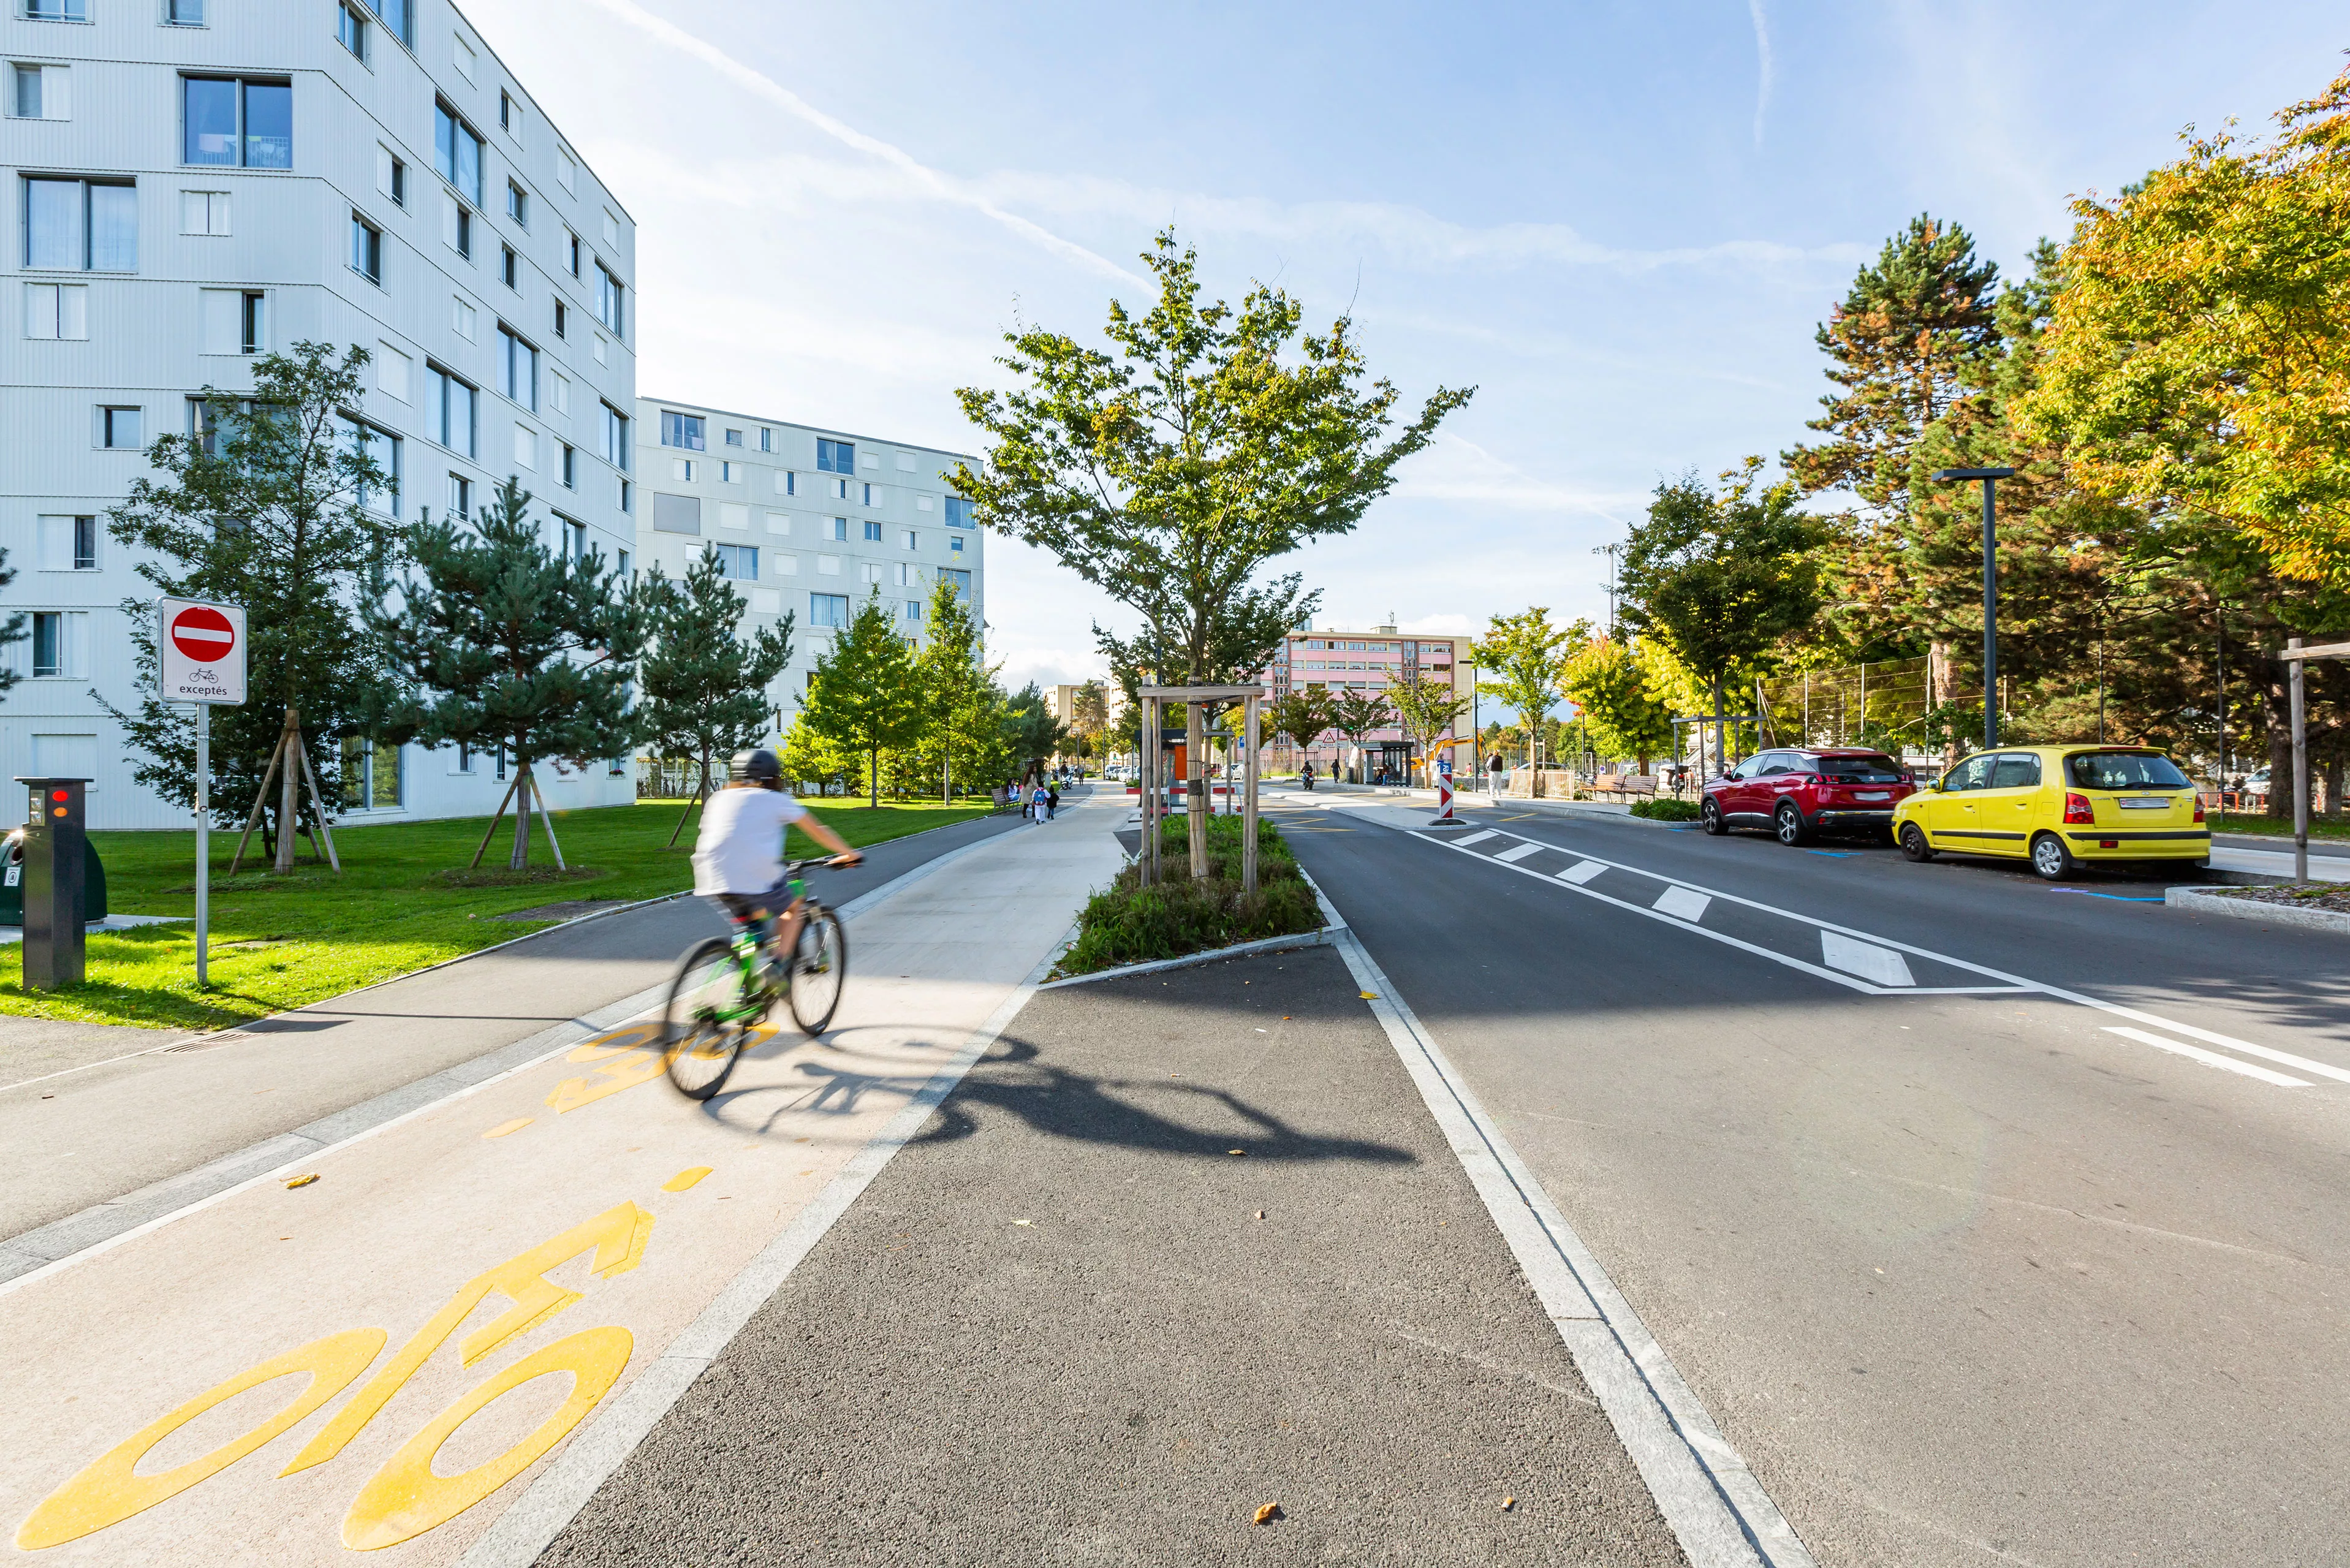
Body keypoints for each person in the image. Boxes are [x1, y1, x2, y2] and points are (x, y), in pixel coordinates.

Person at [691, 748, 861, 990]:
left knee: (753, 926)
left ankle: (746, 986)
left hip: (711, 875)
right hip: (754, 875)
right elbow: (817, 830)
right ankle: (777, 967)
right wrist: (849, 854)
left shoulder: (718, 798)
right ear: (771, 777)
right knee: (795, 905)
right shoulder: (775, 799)